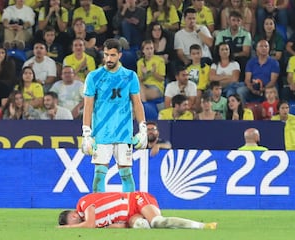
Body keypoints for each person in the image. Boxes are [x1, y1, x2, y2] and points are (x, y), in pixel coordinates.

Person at [82, 38, 147, 193]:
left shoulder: (130, 76)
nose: (108, 59)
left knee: (126, 174)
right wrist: (86, 131)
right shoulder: (93, 76)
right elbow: (88, 105)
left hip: (124, 133)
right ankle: (99, 211)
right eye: (106, 55)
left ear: (120, 55)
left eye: (112, 55)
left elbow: (137, 103)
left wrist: (143, 128)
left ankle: (129, 211)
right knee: (99, 174)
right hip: (101, 133)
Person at [58, 191, 218, 229]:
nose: (73, 222)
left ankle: (203, 226)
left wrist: (65, 228)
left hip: (135, 199)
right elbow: (119, 225)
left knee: (157, 222)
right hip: (129, 216)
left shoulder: (83, 203)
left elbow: (90, 223)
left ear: (73, 214)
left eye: (70, 220)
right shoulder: (97, 224)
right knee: (142, 226)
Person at [215, 10, 252, 79]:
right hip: (224, 58)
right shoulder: (221, 34)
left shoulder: (246, 34)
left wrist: (232, 55)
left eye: (238, 21)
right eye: (233, 20)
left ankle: (241, 81)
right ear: (228, 21)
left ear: (242, 22)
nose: (236, 23)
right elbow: (217, 50)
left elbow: (246, 52)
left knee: (243, 60)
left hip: (238, 59)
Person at [186, 44, 210, 111]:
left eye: (198, 53)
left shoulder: (206, 67)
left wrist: (199, 88)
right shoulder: (187, 68)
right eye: (193, 54)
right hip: (189, 89)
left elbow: (207, 81)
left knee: (198, 92)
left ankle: (197, 112)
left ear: (201, 54)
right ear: (190, 55)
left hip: (201, 89)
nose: (196, 56)